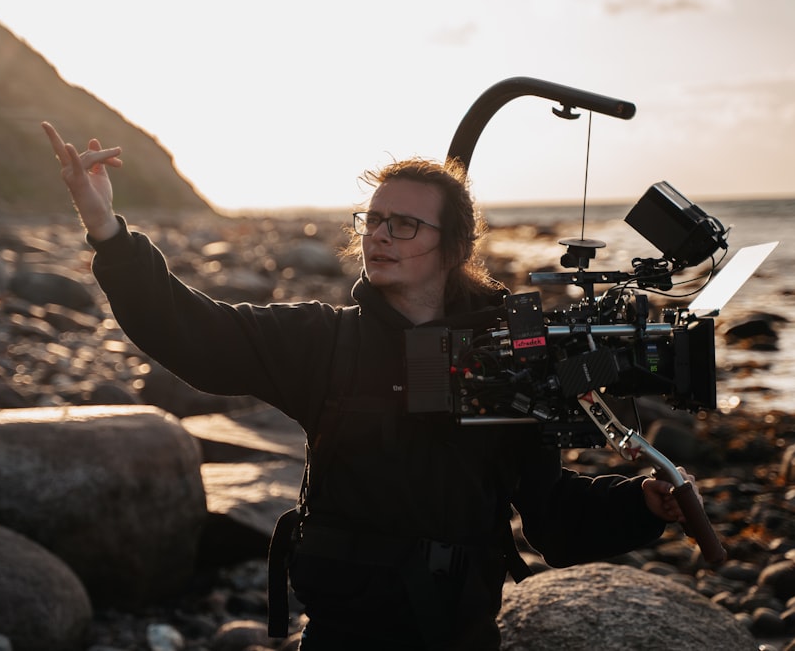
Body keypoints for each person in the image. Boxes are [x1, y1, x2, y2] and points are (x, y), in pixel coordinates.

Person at [42, 121, 701, 651]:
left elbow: (554, 517)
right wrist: (108, 231)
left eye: (403, 223)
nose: (380, 234)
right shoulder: (322, 341)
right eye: (373, 219)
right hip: (344, 635)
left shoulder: (510, 358)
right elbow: (194, 333)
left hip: (461, 638)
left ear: (452, 248)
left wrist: (641, 505)